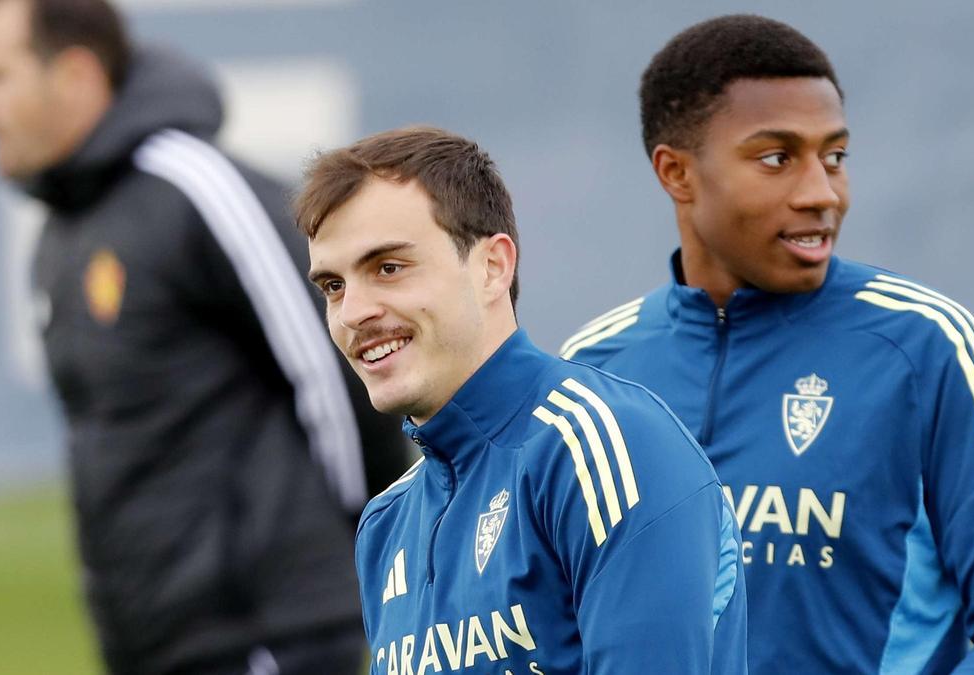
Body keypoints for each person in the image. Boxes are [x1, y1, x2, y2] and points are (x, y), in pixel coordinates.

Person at [563, 14, 974, 674]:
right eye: (777, 158)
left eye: (834, 157)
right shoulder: (592, 375)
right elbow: (552, 631)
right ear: (677, 173)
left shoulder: (926, 347)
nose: (821, 192)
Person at [0, 1, 410, 673]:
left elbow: (336, 367)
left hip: (267, 635)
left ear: (76, 75)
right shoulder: (64, 229)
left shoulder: (194, 187)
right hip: (158, 647)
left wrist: (372, 542)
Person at [295, 126, 748, 674]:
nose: (352, 313)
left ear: (492, 267)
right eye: (333, 287)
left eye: (388, 268)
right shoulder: (386, 522)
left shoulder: (606, 447)